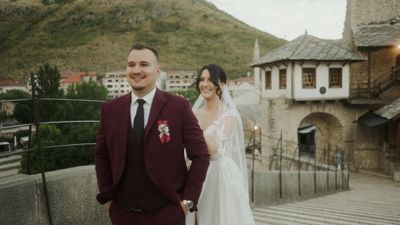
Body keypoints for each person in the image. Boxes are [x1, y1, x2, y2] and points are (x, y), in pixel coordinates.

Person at [95, 43, 210, 225]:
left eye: (144, 64)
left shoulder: (179, 107)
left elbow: (201, 155)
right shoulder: (110, 110)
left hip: (167, 214)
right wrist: (109, 200)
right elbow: (102, 155)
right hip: (122, 214)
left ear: (157, 71)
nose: (136, 70)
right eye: (131, 64)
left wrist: (187, 203)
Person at [187, 64, 255, 225]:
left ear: (222, 84)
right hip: (194, 175)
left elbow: (212, 149)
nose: (205, 84)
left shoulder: (229, 115)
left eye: (210, 80)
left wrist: (190, 124)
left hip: (219, 177)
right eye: (202, 79)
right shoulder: (193, 113)